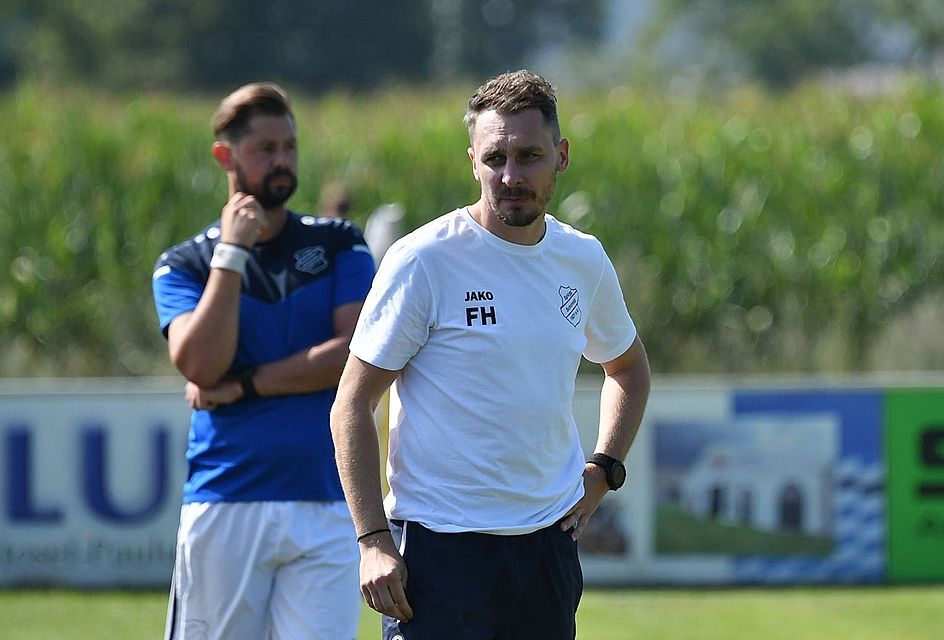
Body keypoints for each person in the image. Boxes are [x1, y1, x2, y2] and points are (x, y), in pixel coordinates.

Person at [330, 70, 652, 639]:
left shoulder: (582, 260)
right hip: (438, 552)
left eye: (529, 155)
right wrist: (374, 542)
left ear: (562, 156)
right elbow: (352, 404)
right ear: (472, 161)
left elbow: (626, 369)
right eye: (494, 157)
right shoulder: (423, 260)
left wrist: (604, 469)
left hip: (547, 551)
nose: (511, 175)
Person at [152, 82, 376, 640]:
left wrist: (247, 385)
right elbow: (202, 367)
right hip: (227, 498)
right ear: (225, 158)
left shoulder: (339, 244)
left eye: (290, 147)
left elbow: (358, 355)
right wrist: (231, 254)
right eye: (266, 150)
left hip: (328, 499)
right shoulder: (186, 263)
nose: (282, 161)